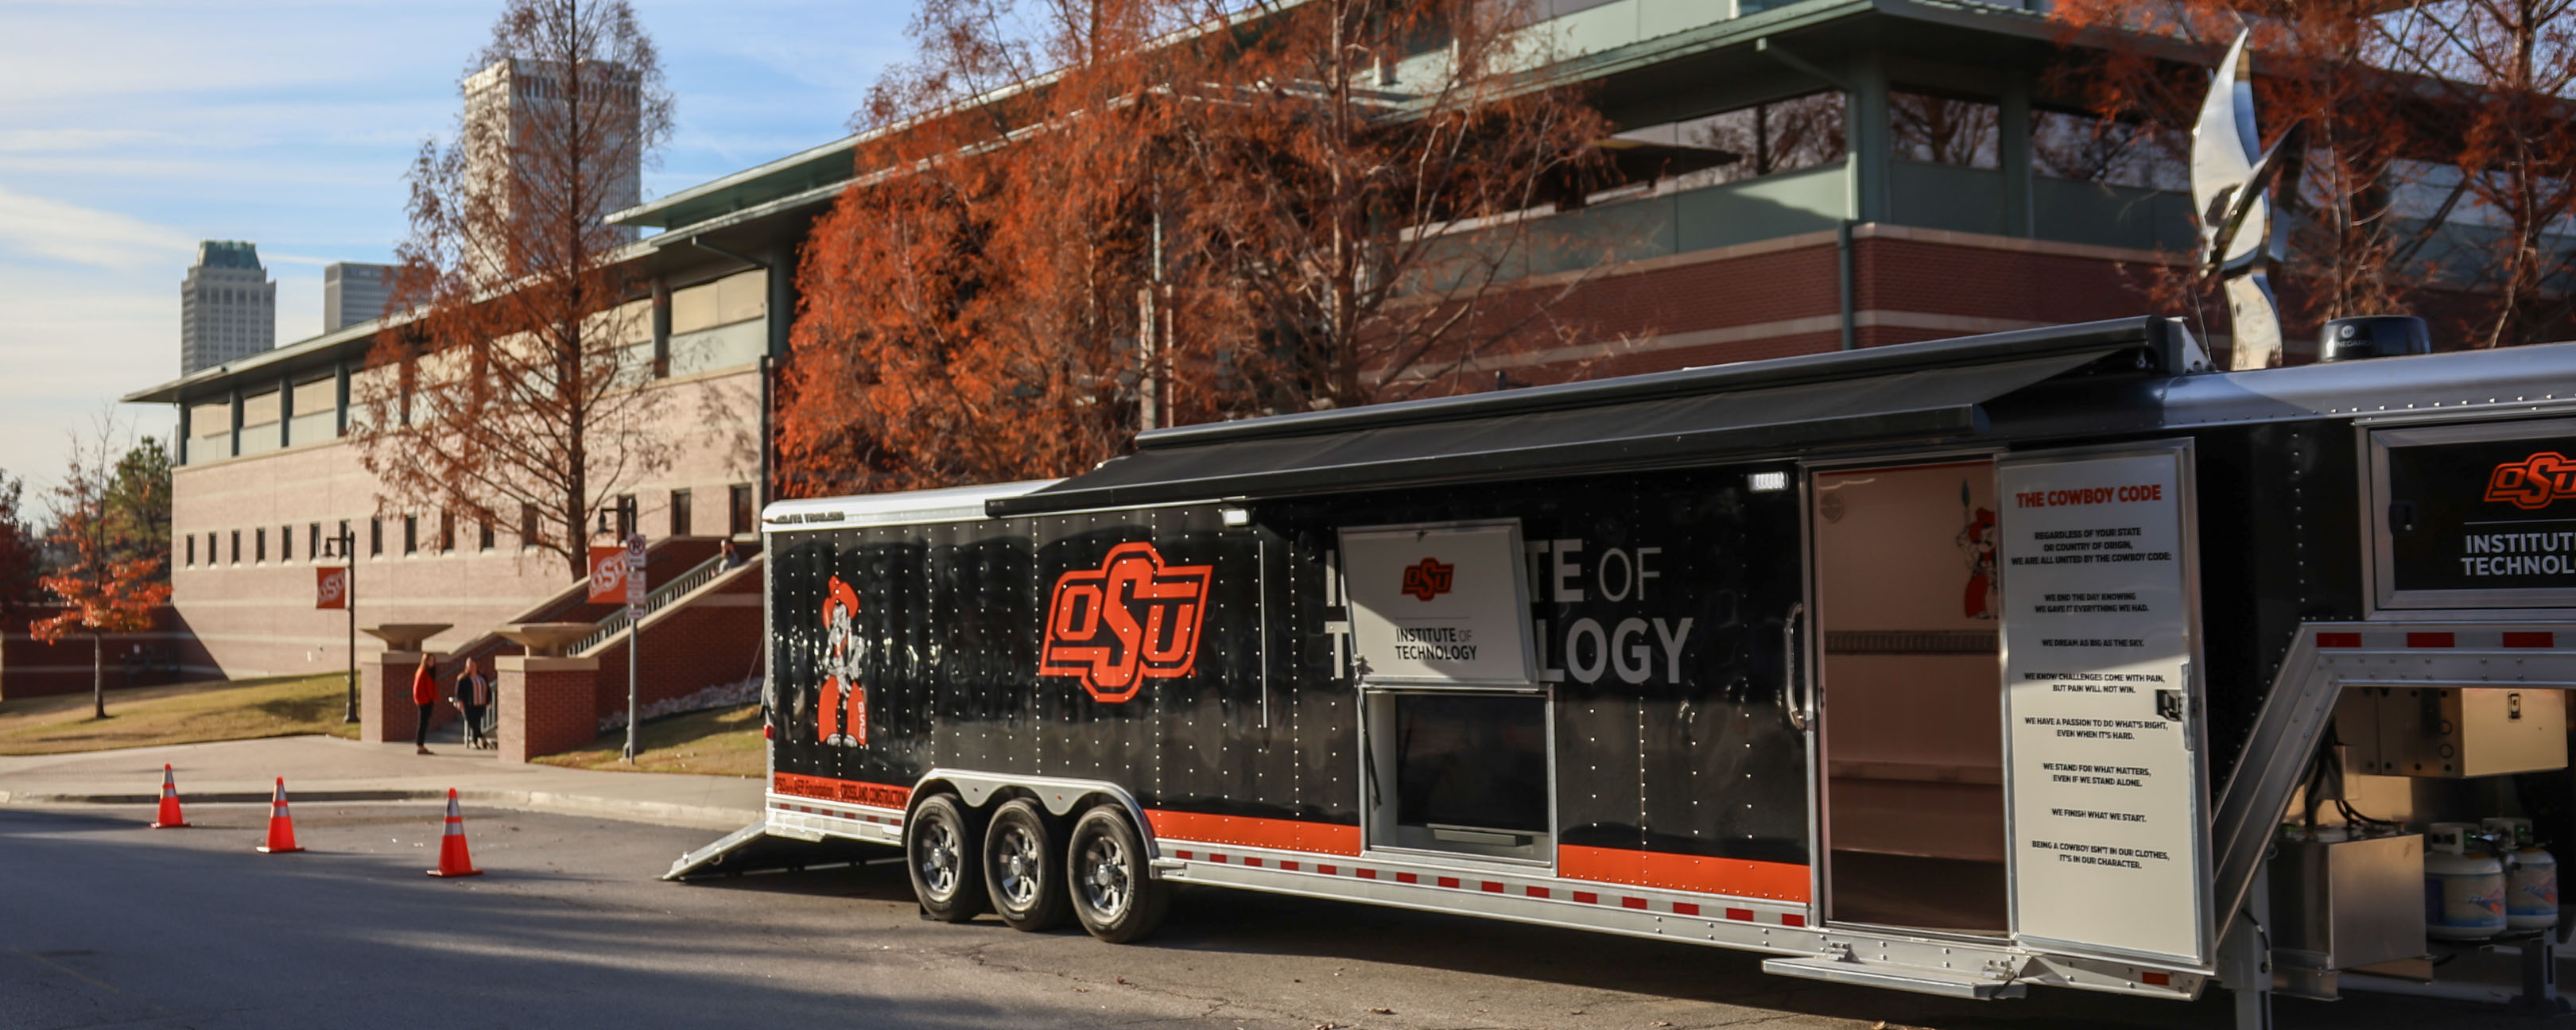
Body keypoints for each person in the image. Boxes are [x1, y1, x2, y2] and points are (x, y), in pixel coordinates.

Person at [452, 660, 491, 749]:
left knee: (476, 724)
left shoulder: (482, 677)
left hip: (481, 703)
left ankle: (475, 742)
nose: (472, 667)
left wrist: (489, 701)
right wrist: (459, 702)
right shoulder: (463, 678)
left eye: (473, 665)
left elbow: (487, 690)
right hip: (468, 704)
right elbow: (458, 692)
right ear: (467, 666)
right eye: (470, 665)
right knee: (471, 723)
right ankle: (482, 738)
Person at [410, 653, 440, 754]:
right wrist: (424, 700)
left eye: (433, 660)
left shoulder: (430, 672)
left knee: (425, 723)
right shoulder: (422, 672)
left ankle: (421, 745)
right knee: (422, 723)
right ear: (425, 661)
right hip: (424, 702)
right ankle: (420, 745)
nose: (432, 662)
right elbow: (417, 689)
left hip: (429, 700)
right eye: (430, 660)